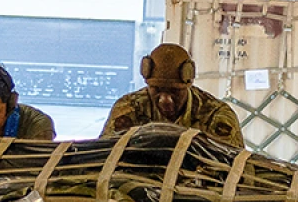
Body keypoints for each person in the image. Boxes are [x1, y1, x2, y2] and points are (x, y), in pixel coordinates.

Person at [101, 43, 244, 147]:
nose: (165, 100)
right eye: (156, 90)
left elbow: (236, 170)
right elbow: (102, 156)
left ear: (188, 85)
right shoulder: (129, 109)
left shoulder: (215, 116)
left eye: (175, 92)